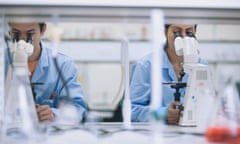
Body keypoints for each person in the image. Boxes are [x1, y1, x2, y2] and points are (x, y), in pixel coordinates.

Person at [7, 23, 88, 122]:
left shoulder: (63, 65)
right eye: (16, 33)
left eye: (30, 33)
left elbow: (78, 109)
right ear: (9, 31)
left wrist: (54, 115)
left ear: (42, 30)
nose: (22, 40)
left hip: (49, 135)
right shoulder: (3, 62)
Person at [130, 24, 207, 124]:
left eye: (189, 33)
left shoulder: (201, 65)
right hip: (158, 135)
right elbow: (132, 110)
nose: (184, 37)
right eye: (177, 32)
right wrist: (163, 114)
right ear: (165, 32)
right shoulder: (146, 66)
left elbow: (208, 103)